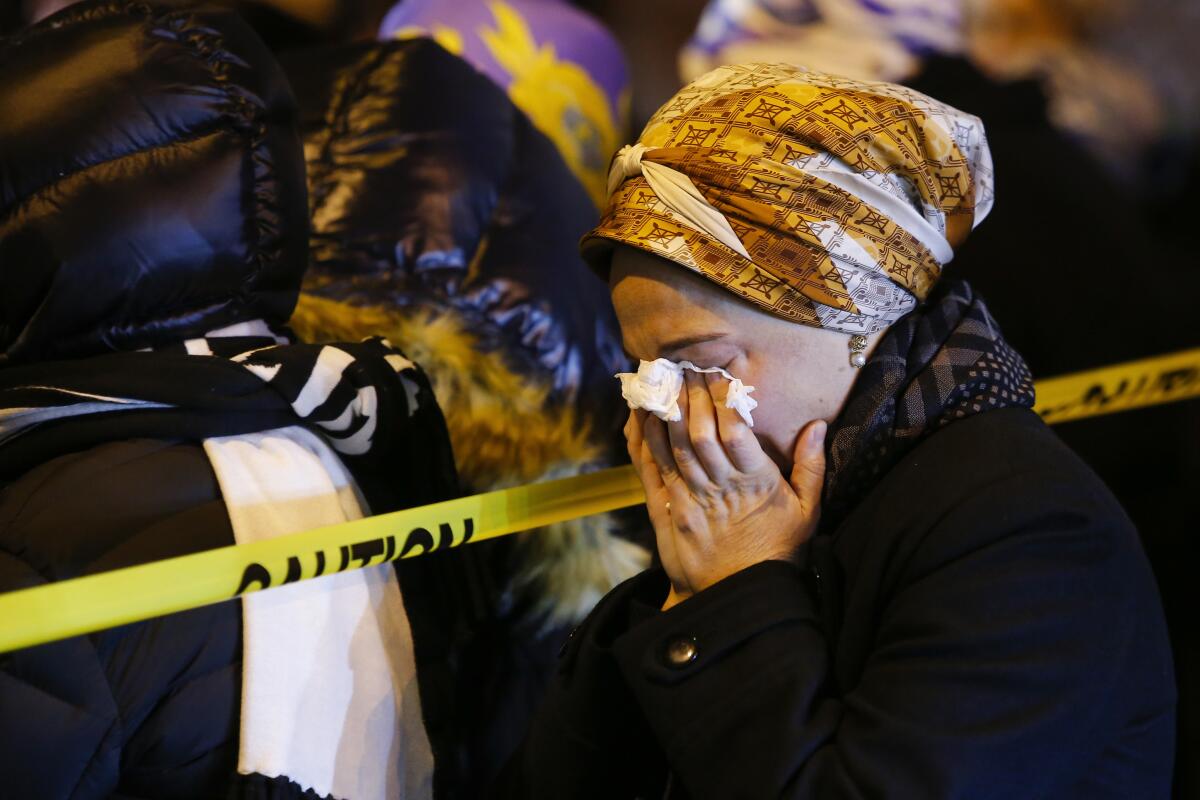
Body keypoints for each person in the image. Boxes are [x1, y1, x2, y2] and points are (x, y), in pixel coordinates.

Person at [495, 63, 1176, 798]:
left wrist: (737, 593)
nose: (659, 404)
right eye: (640, 365)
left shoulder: (1025, 533)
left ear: (855, 321)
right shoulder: (760, 501)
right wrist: (682, 598)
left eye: (699, 362)